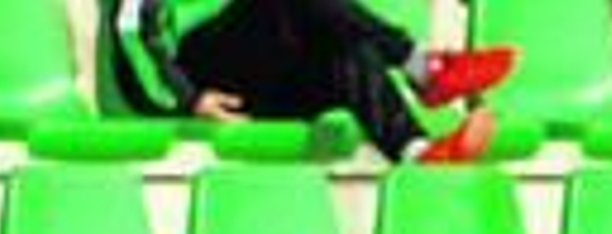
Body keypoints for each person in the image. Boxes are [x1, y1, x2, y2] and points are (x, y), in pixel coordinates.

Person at [105, 0, 518, 164]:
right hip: (199, 75)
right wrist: (189, 98)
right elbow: (131, 32)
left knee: (348, 48)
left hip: (257, 78)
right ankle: (425, 70)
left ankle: (417, 152)